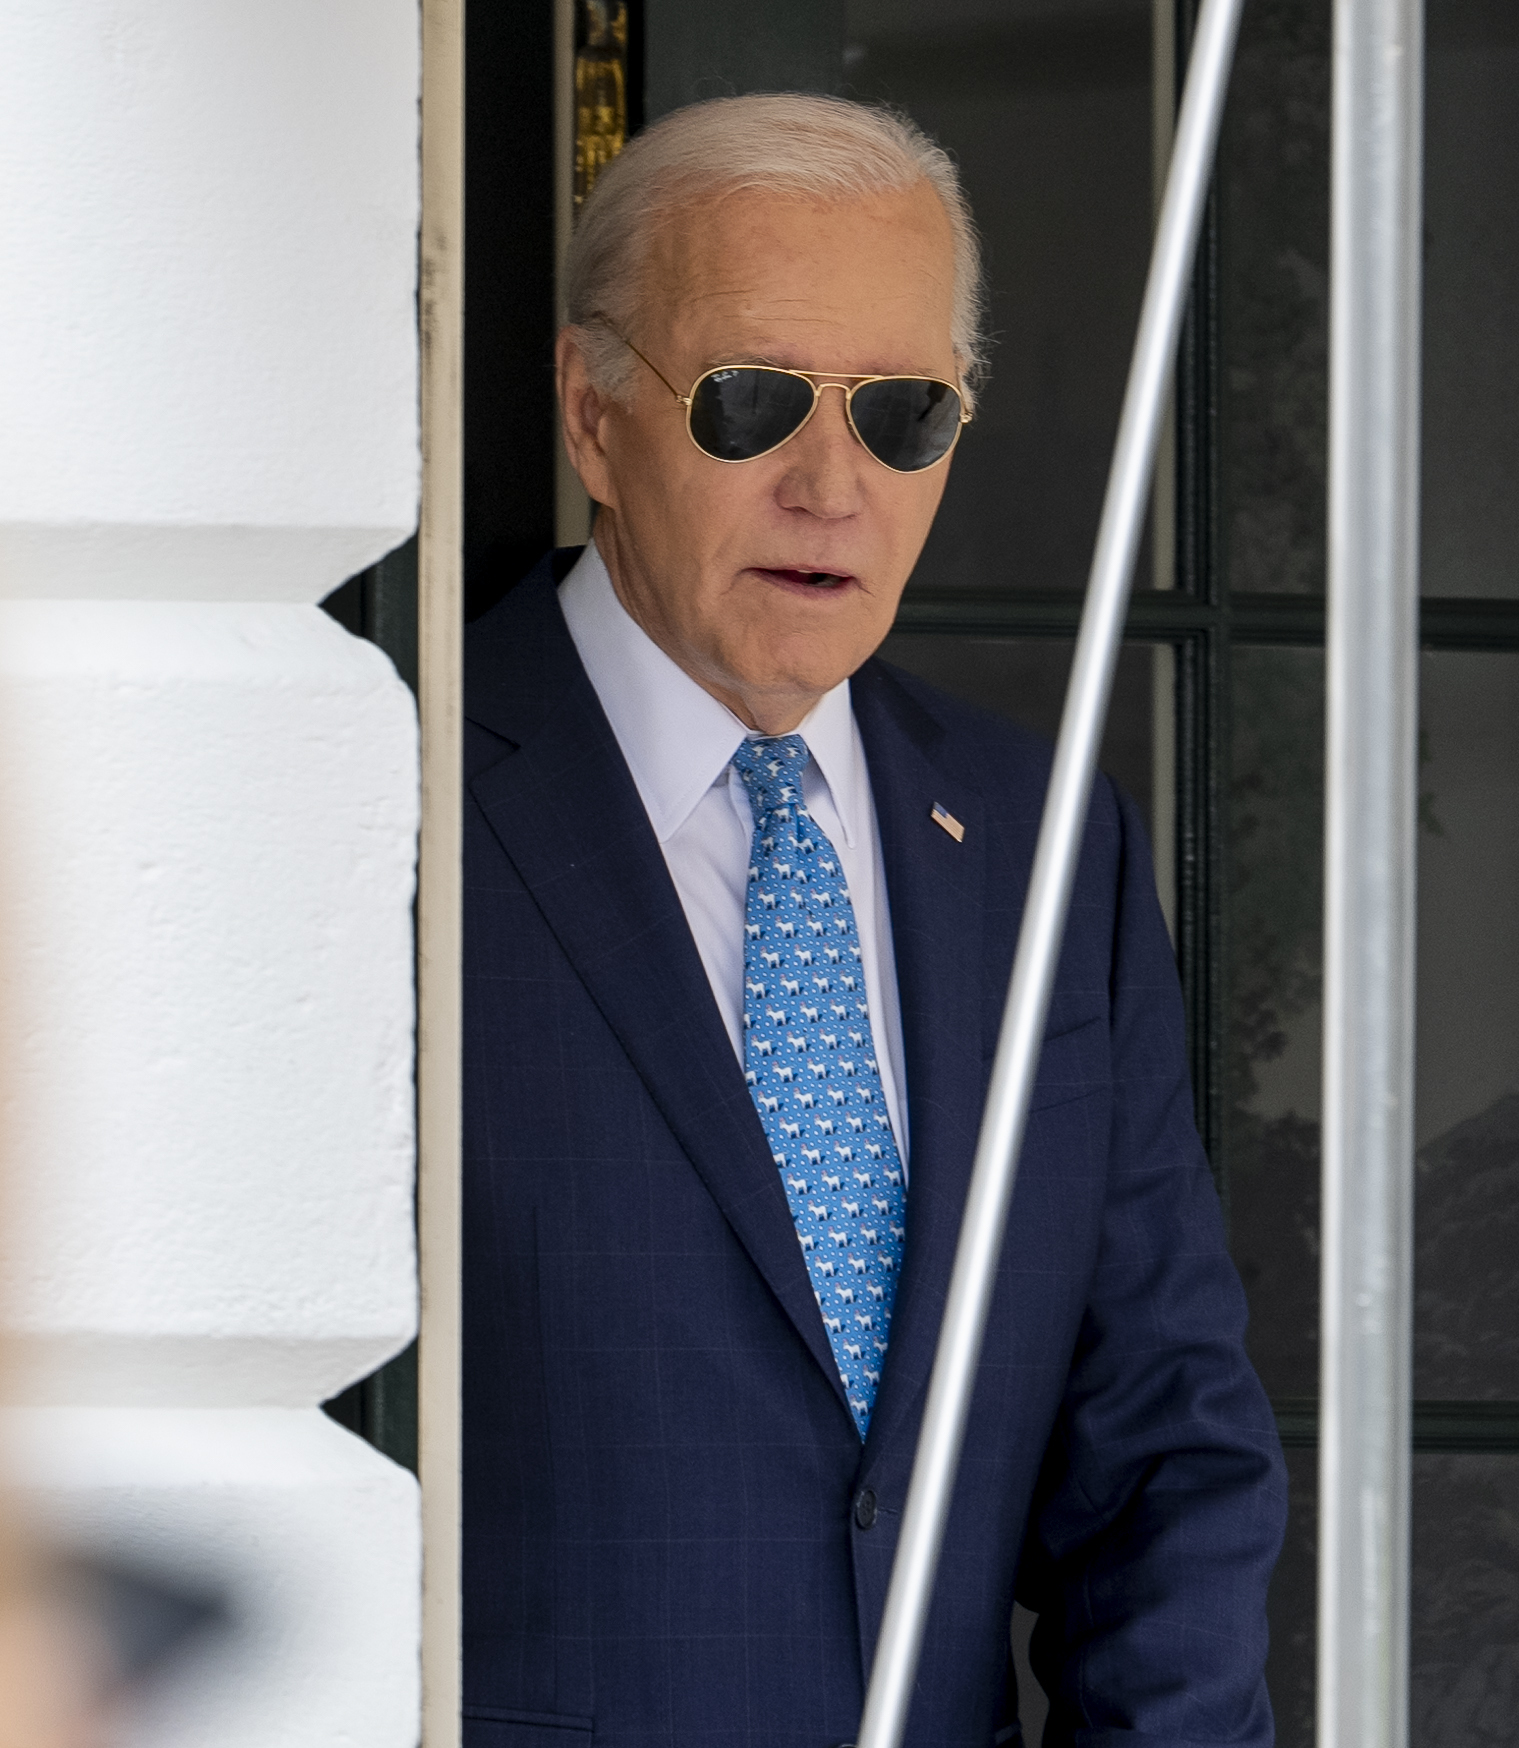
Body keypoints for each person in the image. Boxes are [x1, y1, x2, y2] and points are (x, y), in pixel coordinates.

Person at [461, 93, 1283, 1748]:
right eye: (752, 400)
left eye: (903, 413)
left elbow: (1162, 1449)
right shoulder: (394, 801)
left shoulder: (1044, 845)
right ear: (592, 415)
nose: (831, 485)